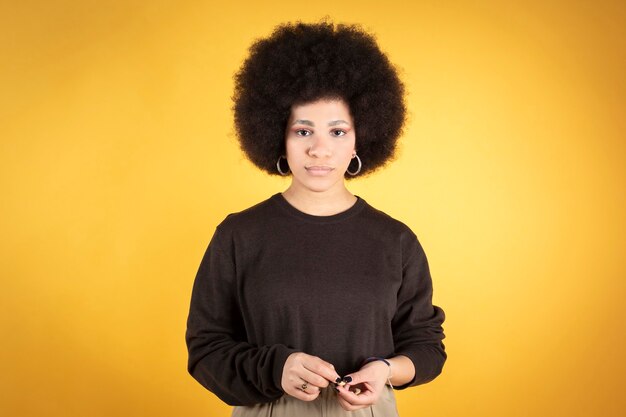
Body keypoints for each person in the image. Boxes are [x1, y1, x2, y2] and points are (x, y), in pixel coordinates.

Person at [186, 21, 446, 417]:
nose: (320, 150)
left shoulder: (395, 240)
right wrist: (277, 367)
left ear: (362, 138)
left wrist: (385, 370)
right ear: (278, 136)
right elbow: (206, 348)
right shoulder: (239, 235)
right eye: (303, 130)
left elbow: (426, 345)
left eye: (338, 131)